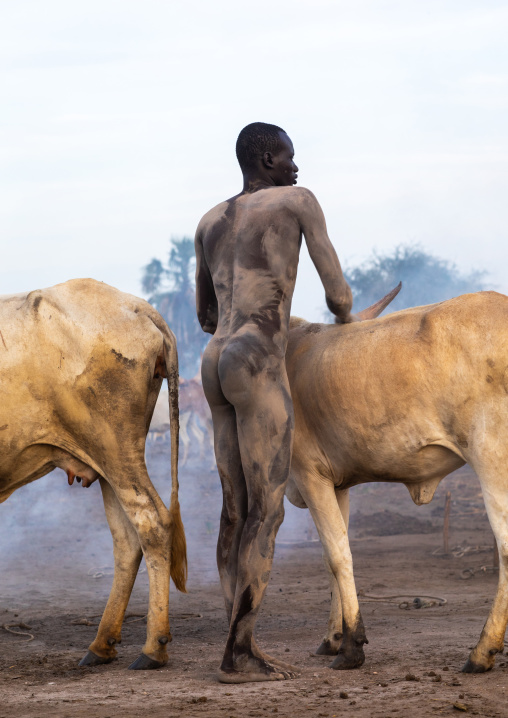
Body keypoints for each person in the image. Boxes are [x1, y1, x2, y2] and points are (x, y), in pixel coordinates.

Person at [195, 122, 355, 683]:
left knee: (232, 508)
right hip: (258, 359)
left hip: (214, 361)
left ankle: (231, 635)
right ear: (268, 158)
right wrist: (344, 323)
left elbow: (207, 316)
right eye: (289, 156)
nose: (296, 167)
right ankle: (239, 651)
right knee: (268, 510)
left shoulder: (210, 220)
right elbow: (338, 293)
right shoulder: (298, 202)